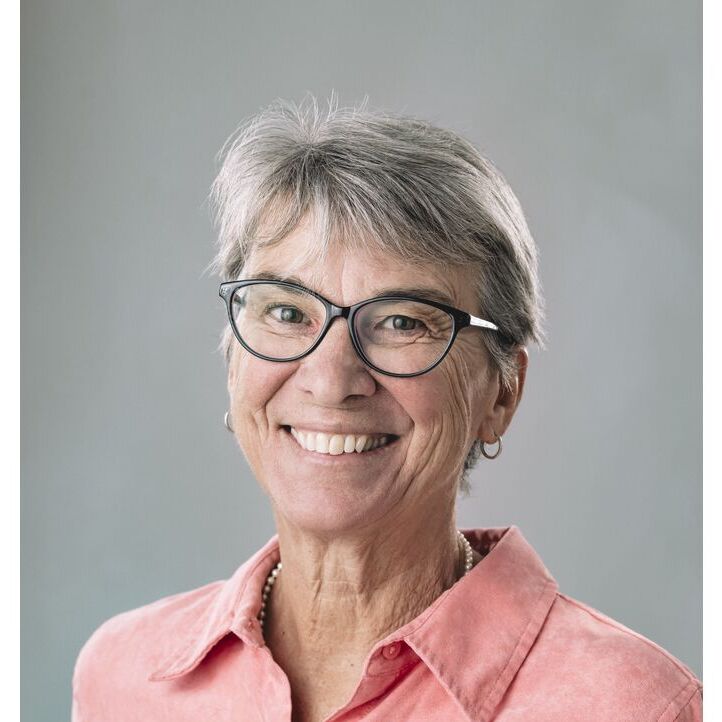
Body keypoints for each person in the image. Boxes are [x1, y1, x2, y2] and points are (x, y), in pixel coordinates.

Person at [71, 99, 702, 722]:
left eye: (403, 322)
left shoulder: (633, 707)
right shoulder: (123, 679)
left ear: (501, 393)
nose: (331, 380)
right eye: (287, 312)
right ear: (234, 359)